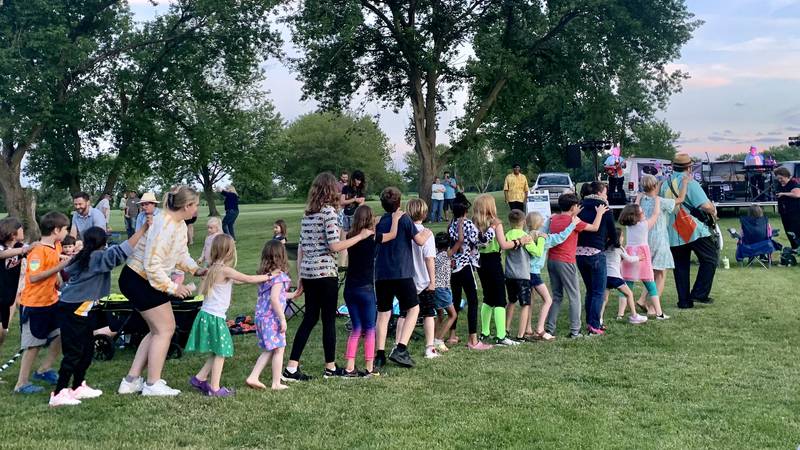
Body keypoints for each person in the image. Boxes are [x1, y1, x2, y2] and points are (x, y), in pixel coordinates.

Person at [282, 173, 374, 382]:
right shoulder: (329, 213)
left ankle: (291, 368)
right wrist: (360, 236)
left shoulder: (308, 214)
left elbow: (301, 248)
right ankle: (330, 367)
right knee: (328, 320)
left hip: (309, 272)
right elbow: (334, 245)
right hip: (325, 273)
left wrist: (301, 277)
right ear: (331, 190)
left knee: (310, 318)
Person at [117, 186, 205, 397]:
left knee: (158, 330)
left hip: (147, 280)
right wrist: (174, 287)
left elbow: (180, 254)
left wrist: (197, 269)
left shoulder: (179, 224)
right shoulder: (163, 224)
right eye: (197, 205)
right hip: (138, 278)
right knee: (165, 329)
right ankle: (152, 384)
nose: (197, 210)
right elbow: (152, 265)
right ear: (187, 206)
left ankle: (131, 381)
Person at [49, 224, 147, 406]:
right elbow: (122, 251)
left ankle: (77, 386)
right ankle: (59, 393)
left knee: (87, 349)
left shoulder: (86, 256)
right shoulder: (97, 257)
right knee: (74, 352)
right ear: (103, 242)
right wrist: (142, 230)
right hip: (73, 309)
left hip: (85, 308)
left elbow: (68, 271)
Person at [185, 234, 271, 397]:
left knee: (217, 350)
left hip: (207, 315)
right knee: (222, 351)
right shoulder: (225, 270)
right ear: (229, 251)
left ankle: (200, 378)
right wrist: (268, 277)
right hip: (215, 317)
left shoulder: (213, 269)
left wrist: (258, 278)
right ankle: (215, 389)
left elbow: (240, 280)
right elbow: (248, 278)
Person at [373, 187, 432, 369]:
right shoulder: (404, 219)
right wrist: (427, 232)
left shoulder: (379, 221)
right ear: (400, 203)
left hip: (381, 274)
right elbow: (420, 241)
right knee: (413, 309)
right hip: (402, 273)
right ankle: (400, 348)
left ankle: (380, 355)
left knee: (383, 314)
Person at [341, 205, 402, 377]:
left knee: (356, 328)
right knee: (369, 328)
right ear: (369, 220)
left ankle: (350, 367)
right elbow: (393, 235)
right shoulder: (373, 238)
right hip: (366, 289)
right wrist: (395, 219)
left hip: (350, 288)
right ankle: (369, 366)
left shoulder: (350, 237)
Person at [14, 212, 71, 394]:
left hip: (51, 301)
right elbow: (34, 277)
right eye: (65, 229)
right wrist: (60, 267)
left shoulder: (56, 245)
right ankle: (21, 384)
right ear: (56, 230)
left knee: (60, 334)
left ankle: (44, 369)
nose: (67, 232)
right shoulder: (37, 251)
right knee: (34, 345)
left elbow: (55, 260)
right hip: (34, 305)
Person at [659, 153, 718, 309]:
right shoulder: (690, 182)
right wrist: (713, 210)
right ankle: (699, 293)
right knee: (710, 257)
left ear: (673, 167)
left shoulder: (665, 184)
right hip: (690, 228)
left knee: (681, 266)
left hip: (671, 230)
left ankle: (684, 301)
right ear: (689, 167)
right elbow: (704, 205)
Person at [545, 193, 607, 339]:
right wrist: (599, 213)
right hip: (566, 261)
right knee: (574, 296)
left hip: (552, 260)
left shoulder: (554, 219)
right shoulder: (574, 222)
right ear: (574, 207)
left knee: (557, 295)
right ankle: (575, 331)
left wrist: (574, 213)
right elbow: (595, 227)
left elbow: (566, 219)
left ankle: (549, 328)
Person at [473, 194, 531, 346]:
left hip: (480, 262)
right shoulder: (496, 223)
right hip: (493, 262)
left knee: (487, 297)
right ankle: (501, 336)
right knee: (499, 298)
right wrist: (520, 241)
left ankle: (485, 332)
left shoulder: (474, 223)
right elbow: (504, 245)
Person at [247, 240, 299, 390]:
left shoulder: (266, 276)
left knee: (270, 349)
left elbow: (278, 295)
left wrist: (293, 294)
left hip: (261, 318)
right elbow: (275, 299)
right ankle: (276, 383)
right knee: (279, 349)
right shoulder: (280, 277)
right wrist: (283, 319)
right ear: (282, 256)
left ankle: (253, 377)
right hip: (272, 319)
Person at [635, 174, 688, 314]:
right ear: (655, 186)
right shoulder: (661, 201)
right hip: (659, 240)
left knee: (651, 272)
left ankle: (642, 299)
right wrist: (685, 183)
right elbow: (681, 199)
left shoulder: (641, 201)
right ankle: (653, 308)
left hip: (645, 240)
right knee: (661, 275)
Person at [525, 212, 578, 341]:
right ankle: (540, 329)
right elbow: (561, 237)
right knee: (548, 300)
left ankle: (528, 329)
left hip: (525, 273)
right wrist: (572, 225)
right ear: (540, 224)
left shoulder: (526, 237)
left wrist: (550, 219)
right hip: (535, 274)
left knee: (529, 301)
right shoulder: (544, 238)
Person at [446, 193, 489, 350]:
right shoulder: (468, 224)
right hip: (466, 266)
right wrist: (491, 229)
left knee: (455, 300)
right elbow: (480, 241)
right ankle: (473, 339)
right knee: (473, 301)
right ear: (465, 210)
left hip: (454, 267)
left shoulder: (451, 224)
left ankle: (452, 335)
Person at [576, 181, 618, 336]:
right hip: (595, 252)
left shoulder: (580, 206)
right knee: (599, 291)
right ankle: (594, 325)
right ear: (600, 193)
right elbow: (612, 232)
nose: (607, 196)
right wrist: (615, 243)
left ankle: (589, 322)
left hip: (579, 253)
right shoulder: (603, 208)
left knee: (590, 290)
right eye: (606, 193)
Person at [619, 202, 669, 320]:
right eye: (641, 212)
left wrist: (638, 199)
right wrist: (656, 200)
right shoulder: (644, 225)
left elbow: (632, 209)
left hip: (629, 255)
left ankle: (620, 314)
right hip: (643, 256)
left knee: (627, 285)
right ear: (636, 215)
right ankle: (659, 313)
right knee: (651, 285)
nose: (643, 213)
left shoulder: (629, 225)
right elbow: (656, 214)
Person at [403, 198, 440, 359]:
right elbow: (429, 258)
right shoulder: (427, 233)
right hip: (424, 280)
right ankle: (429, 347)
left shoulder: (403, 232)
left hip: (407, 279)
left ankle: (399, 344)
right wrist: (433, 281)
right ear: (424, 214)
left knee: (404, 315)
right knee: (428, 314)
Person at [503, 209, 544, 342]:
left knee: (511, 301)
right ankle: (520, 335)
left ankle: (505, 330)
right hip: (522, 275)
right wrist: (542, 239)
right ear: (524, 222)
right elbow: (537, 253)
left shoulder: (507, 235)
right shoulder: (526, 237)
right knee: (525, 305)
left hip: (509, 274)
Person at [603, 228, 648, 325]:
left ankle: (599, 319)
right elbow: (629, 259)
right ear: (618, 238)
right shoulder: (619, 249)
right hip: (616, 278)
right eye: (622, 236)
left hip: (605, 277)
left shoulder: (605, 248)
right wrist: (639, 258)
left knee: (604, 299)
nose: (623, 238)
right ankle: (634, 316)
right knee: (629, 294)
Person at [0, 218, 31, 352]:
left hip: (7, 298)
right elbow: (2, 254)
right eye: (21, 229)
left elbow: (35, 252)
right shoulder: (1, 246)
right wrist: (24, 250)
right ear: (13, 233)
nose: (23, 231)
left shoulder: (20, 247)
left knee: (3, 333)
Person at [433, 231, 461, 353]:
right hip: (443, 289)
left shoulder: (435, 255)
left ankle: (432, 338)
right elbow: (460, 241)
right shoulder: (446, 255)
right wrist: (459, 225)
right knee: (452, 315)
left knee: (439, 315)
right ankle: (439, 340)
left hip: (435, 288)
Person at [775, 166, 800, 249]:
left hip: (795, 212)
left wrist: (783, 194)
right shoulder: (780, 184)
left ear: (786, 175)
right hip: (784, 212)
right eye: (778, 179)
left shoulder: (793, 183)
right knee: (788, 231)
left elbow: (797, 194)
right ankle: (794, 247)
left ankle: (798, 247)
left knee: (795, 231)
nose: (780, 180)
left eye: (781, 178)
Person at [340, 170, 366, 234]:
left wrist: (357, 214)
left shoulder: (361, 189)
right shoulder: (345, 188)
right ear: (353, 178)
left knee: (354, 233)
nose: (359, 182)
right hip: (345, 214)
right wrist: (354, 200)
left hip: (354, 216)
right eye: (358, 180)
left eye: (361, 180)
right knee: (345, 233)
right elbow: (342, 202)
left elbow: (362, 202)